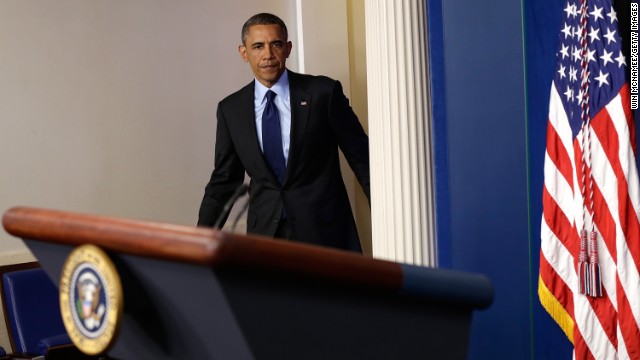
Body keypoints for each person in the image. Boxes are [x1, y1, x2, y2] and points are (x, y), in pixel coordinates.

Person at [197, 13, 369, 252]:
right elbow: (224, 181)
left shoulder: (323, 93)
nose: (268, 55)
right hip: (266, 238)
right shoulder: (231, 110)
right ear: (244, 52)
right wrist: (198, 240)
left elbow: (363, 160)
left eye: (275, 44)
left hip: (325, 235)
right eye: (258, 46)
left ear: (288, 49)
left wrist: (390, 219)